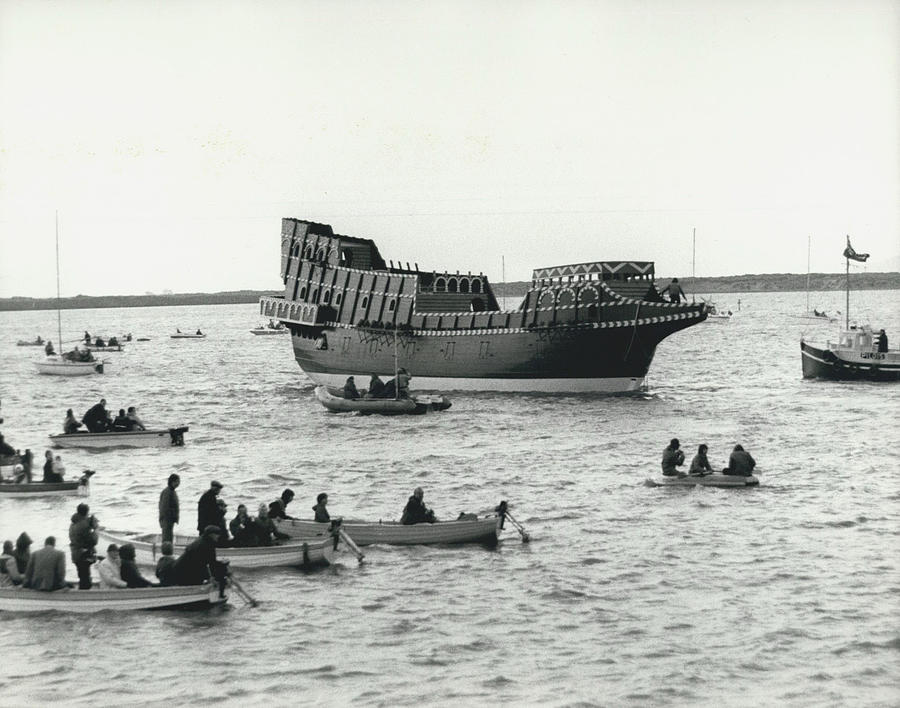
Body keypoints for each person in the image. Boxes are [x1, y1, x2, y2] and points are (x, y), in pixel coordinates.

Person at [172, 525, 228, 597]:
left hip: (179, 570)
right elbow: (211, 563)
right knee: (220, 572)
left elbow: (206, 563)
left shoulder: (201, 540)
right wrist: (222, 566)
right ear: (211, 535)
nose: (219, 536)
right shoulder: (207, 545)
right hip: (186, 573)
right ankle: (220, 594)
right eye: (217, 534)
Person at [69, 503, 98, 590]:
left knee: (82, 575)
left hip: (75, 553)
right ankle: (84, 595)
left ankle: (82, 591)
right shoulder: (84, 525)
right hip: (83, 555)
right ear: (86, 512)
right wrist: (95, 529)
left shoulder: (73, 523)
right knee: (85, 578)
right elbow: (93, 541)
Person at [159, 473, 180, 544]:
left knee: (169, 537)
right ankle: (166, 551)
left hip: (170, 520)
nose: (178, 483)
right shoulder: (167, 492)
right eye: (177, 481)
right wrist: (167, 519)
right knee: (166, 538)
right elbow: (164, 508)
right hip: (167, 520)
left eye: (179, 481)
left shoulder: (172, 491)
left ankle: (167, 550)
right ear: (172, 482)